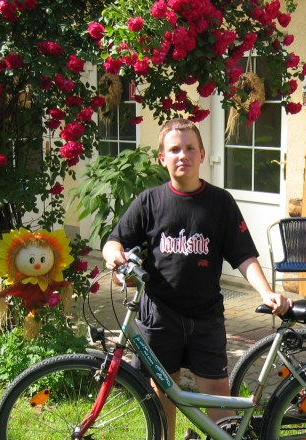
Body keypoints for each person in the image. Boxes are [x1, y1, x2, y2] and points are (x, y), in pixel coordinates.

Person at [102, 118, 293, 438]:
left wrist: (265, 291)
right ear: (162, 157)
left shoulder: (220, 203)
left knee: (216, 390)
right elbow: (114, 240)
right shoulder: (149, 201)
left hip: (205, 316)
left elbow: (244, 255)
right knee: (163, 391)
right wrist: (113, 254)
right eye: (174, 149)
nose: (183, 155)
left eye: (190, 148)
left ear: (202, 154)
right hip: (159, 315)